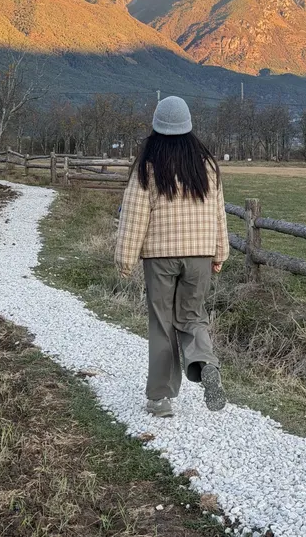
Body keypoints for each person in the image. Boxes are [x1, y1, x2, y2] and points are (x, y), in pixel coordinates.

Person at [114, 96, 229, 417]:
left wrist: (124, 260)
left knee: (162, 324)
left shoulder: (149, 165)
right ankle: (205, 363)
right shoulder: (206, 165)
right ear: (189, 126)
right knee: (193, 317)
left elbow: (135, 216)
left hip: (160, 257)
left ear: (156, 126)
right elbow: (218, 212)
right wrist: (220, 253)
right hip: (200, 255)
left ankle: (161, 398)